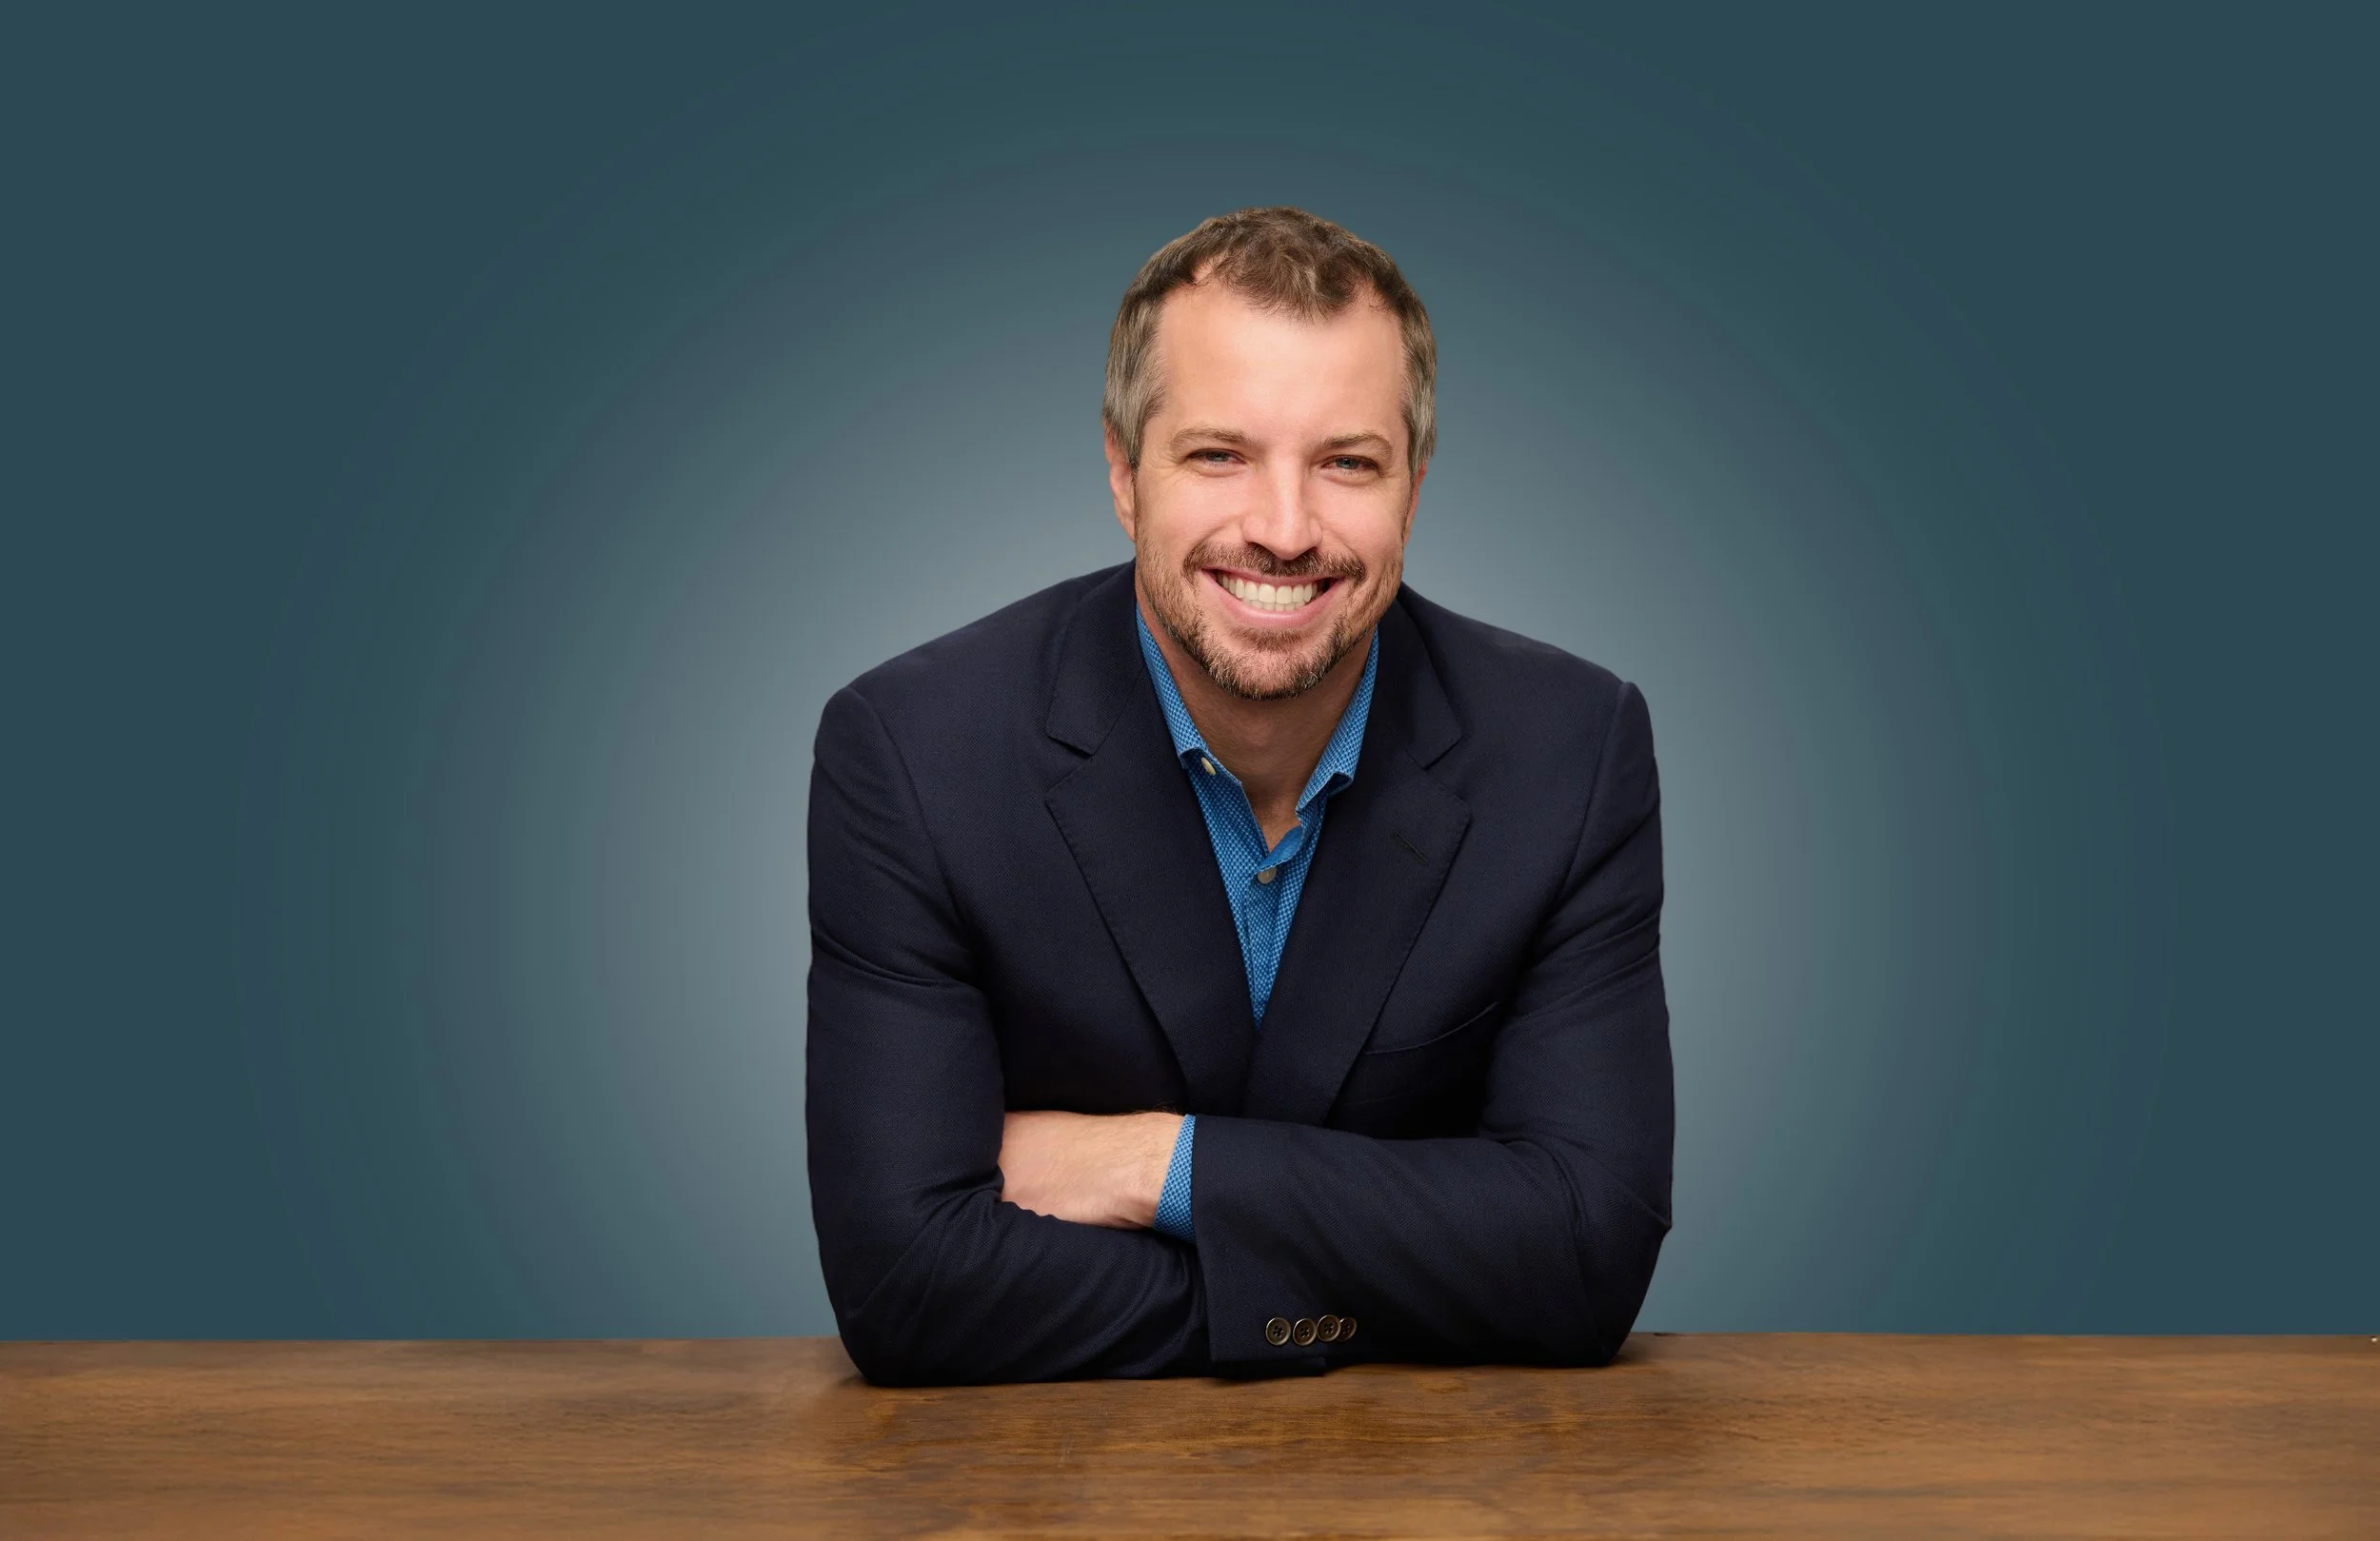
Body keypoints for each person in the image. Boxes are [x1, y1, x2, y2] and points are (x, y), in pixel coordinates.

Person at [805, 207, 1672, 1385]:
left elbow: (1583, 1254)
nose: (1282, 528)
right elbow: (906, 1285)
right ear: (1123, 473)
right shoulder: (911, 754)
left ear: (1412, 485)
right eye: (1219, 454)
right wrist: (1410, 1275)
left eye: (1346, 462)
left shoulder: (1571, 750)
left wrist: (1158, 1165)